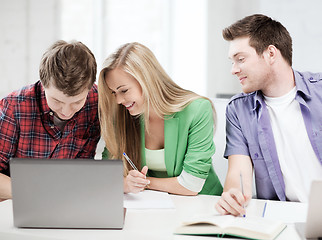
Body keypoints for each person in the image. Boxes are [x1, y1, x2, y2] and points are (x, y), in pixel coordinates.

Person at [215, 14, 322, 216]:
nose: (233, 70)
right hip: (283, 220)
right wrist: (233, 197)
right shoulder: (238, 110)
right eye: (232, 61)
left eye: (240, 59)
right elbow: (237, 179)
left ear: (271, 53)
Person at [98, 42, 223, 196]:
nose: (118, 100)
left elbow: (191, 184)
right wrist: (125, 184)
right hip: (154, 206)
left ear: (147, 80)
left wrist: (142, 183)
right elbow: (106, 175)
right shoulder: (123, 116)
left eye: (123, 90)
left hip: (203, 205)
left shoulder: (197, 110)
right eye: (113, 93)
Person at [0, 40, 100, 201]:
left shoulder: (95, 101)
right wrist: (35, 193)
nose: (67, 112)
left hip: (68, 200)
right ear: (43, 83)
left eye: (76, 102)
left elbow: (83, 169)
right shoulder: (14, 107)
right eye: (57, 101)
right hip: (17, 202)